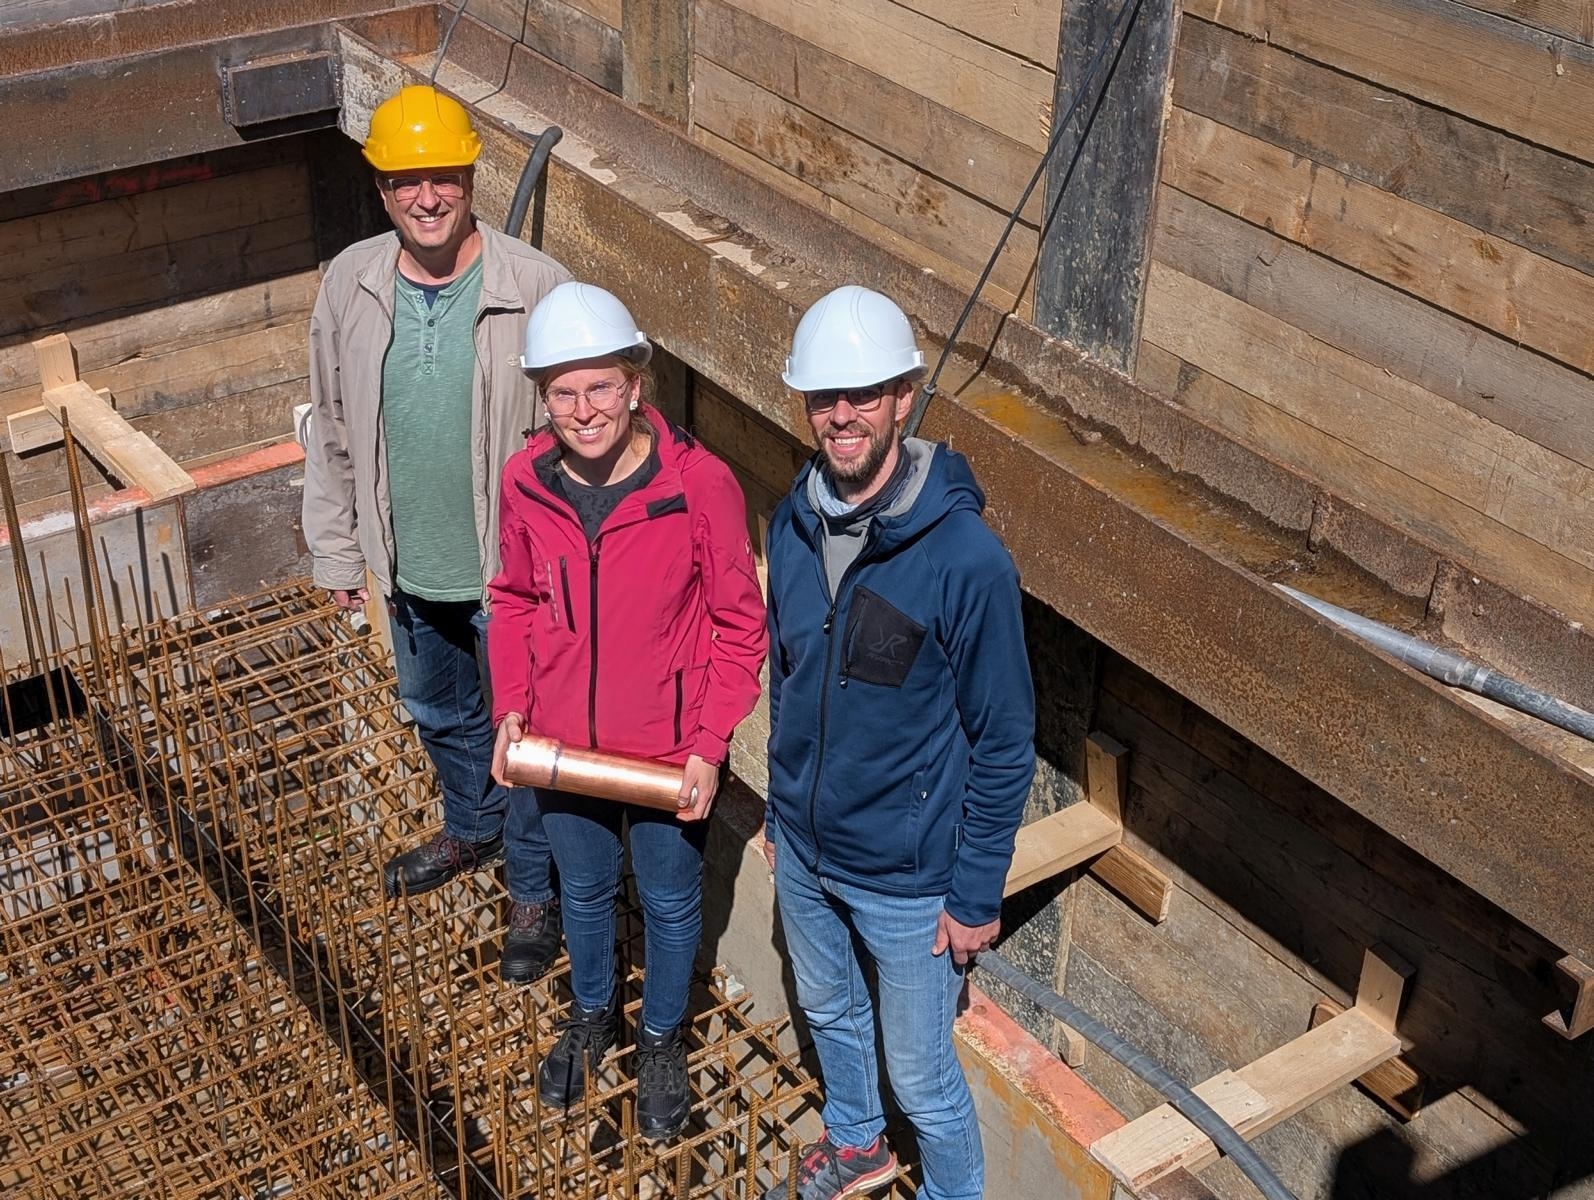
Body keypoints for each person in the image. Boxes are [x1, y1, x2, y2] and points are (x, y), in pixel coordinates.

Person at [761, 286, 1036, 1200]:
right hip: (806, 851)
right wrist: (781, 810)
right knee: (829, 1009)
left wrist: (976, 891)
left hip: (908, 883)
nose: (841, 416)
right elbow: (790, 675)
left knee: (922, 1079)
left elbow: (1005, 740)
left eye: (864, 395)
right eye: (823, 397)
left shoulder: (966, 561)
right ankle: (857, 1144)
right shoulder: (794, 522)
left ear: (904, 399)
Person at [300, 84, 570, 984]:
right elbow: (333, 427)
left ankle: (530, 893)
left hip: (511, 578)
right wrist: (340, 552)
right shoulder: (352, 282)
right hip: (408, 565)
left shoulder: (535, 288)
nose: (427, 198)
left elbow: (586, 437)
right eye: (406, 181)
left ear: (470, 179)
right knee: (439, 713)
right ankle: (470, 827)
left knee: (521, 741)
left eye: (444, 177)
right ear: (381, 188)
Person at [487, 282, 767, 1140]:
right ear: (543, 398)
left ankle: (660, 1041)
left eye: (601, 387)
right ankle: (593, 1014)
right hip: (563, 745)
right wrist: (511, 707)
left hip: (664, 750)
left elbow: (739, 624)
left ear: (635, 384)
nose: (584, 411)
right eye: (563, 393)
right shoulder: (526, 481)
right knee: (583, 887)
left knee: (672, 901)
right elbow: (514, 600)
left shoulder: (698, 485)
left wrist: (708, 745)